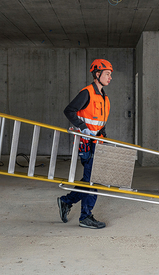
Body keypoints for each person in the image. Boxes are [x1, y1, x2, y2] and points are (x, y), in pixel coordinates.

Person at [57, 59, 113, 229]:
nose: (110, 77)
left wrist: (103, 137)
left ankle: (66, 201)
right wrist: (82, 128)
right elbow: (69, 110)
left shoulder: (103, 96)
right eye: (107, 74)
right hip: (88, 143)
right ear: (97, 74)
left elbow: (99, 122)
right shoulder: (87, 93)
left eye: (111, 74)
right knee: (93, 180)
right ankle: (85, 216)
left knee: (90, 178)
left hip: (98, 142)